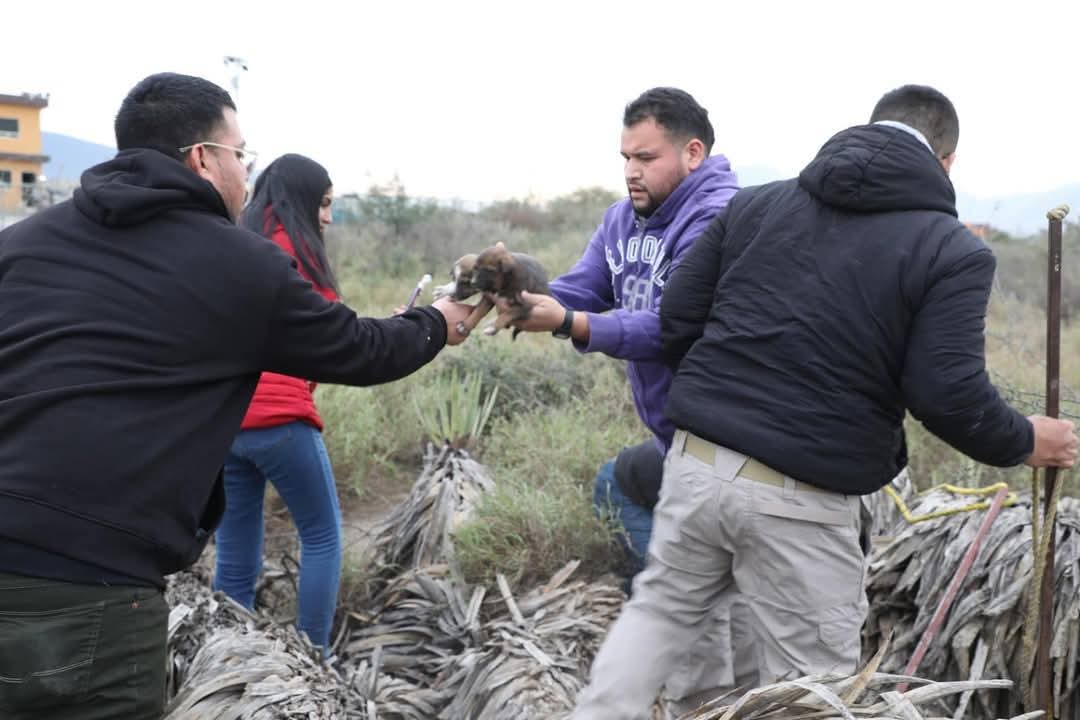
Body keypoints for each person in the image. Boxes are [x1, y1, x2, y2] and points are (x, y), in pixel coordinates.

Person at [570, 84, 1080, 719]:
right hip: (801, 499)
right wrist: (1029, 439)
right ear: (946, 161)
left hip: (695, 467)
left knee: (659, 622)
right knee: (810, 694)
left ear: (867, 130)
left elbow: (677, 319)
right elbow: (945, 394)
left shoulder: (756, 206)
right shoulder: (951, 249)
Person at [0, 73, 473, 720]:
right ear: (203, 158)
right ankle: (312, 653)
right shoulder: (239, 261)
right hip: (94, 589)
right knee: (320, 535)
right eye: (241, 155)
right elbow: (362, 349)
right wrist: (439, 321)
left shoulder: (20, 245)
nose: (246, 175)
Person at [499, 87, 749, 713]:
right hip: (678, 441)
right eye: (625, 157)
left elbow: (673, 327)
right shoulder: (621, 218)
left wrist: (570, 325)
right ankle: (701, 646)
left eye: (646, 157)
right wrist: (515, 293)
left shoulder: (720, 220)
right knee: (619, 486)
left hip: (731, 448)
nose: (632, 171)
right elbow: (579, 289)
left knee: (691, 596)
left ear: (694, 152)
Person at [212, 153, 348, 654]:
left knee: (233, 554)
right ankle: (314, 657)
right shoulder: (298, 255)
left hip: (227, 423)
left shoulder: (237, 244)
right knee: (322, 539)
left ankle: (225, 658)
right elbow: (331, 342)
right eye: (325, 204)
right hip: (283, 418)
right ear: (304, 199)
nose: (328, 217)